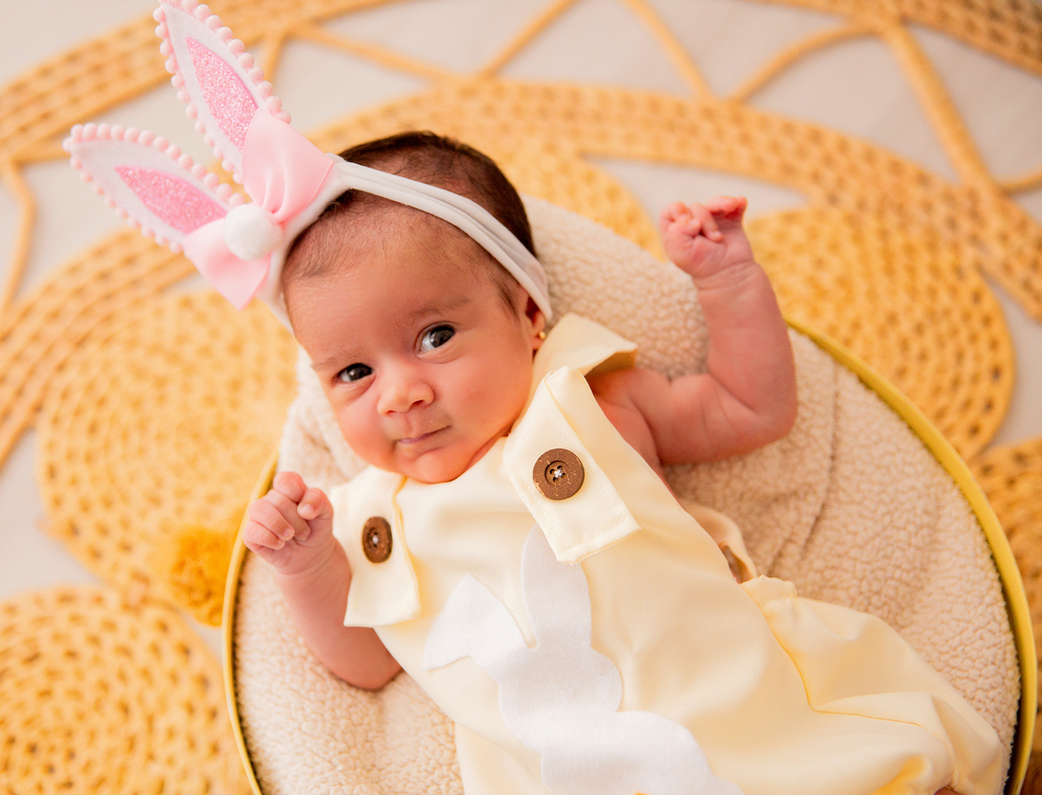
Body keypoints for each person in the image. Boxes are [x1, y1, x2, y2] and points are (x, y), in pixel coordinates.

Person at [239, 132, 1000, 795]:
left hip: (752, 710)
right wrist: (306, 569)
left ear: (529, 316)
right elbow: (369, 662)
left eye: (435, 336)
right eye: (351, 374)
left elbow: (752, 409)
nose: (400, 394)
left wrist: (728, 283)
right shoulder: (373, 520)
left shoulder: (589, 406)